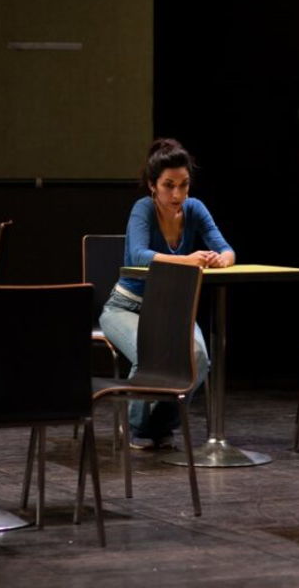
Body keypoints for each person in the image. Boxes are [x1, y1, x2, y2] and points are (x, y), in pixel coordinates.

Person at [100, 138, 235, 449]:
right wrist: (187, 260)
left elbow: (227, 249)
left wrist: (219, 259)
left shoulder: (194, 209)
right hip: (126, 307)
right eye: (169, 185)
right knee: (151, 356)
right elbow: (138, 256)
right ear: (153, 185)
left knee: (198, 358)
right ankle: (134, 428)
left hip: (172, 309)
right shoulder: (143, 209)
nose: (177, 194)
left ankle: (161, 425)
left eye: (184, 185)